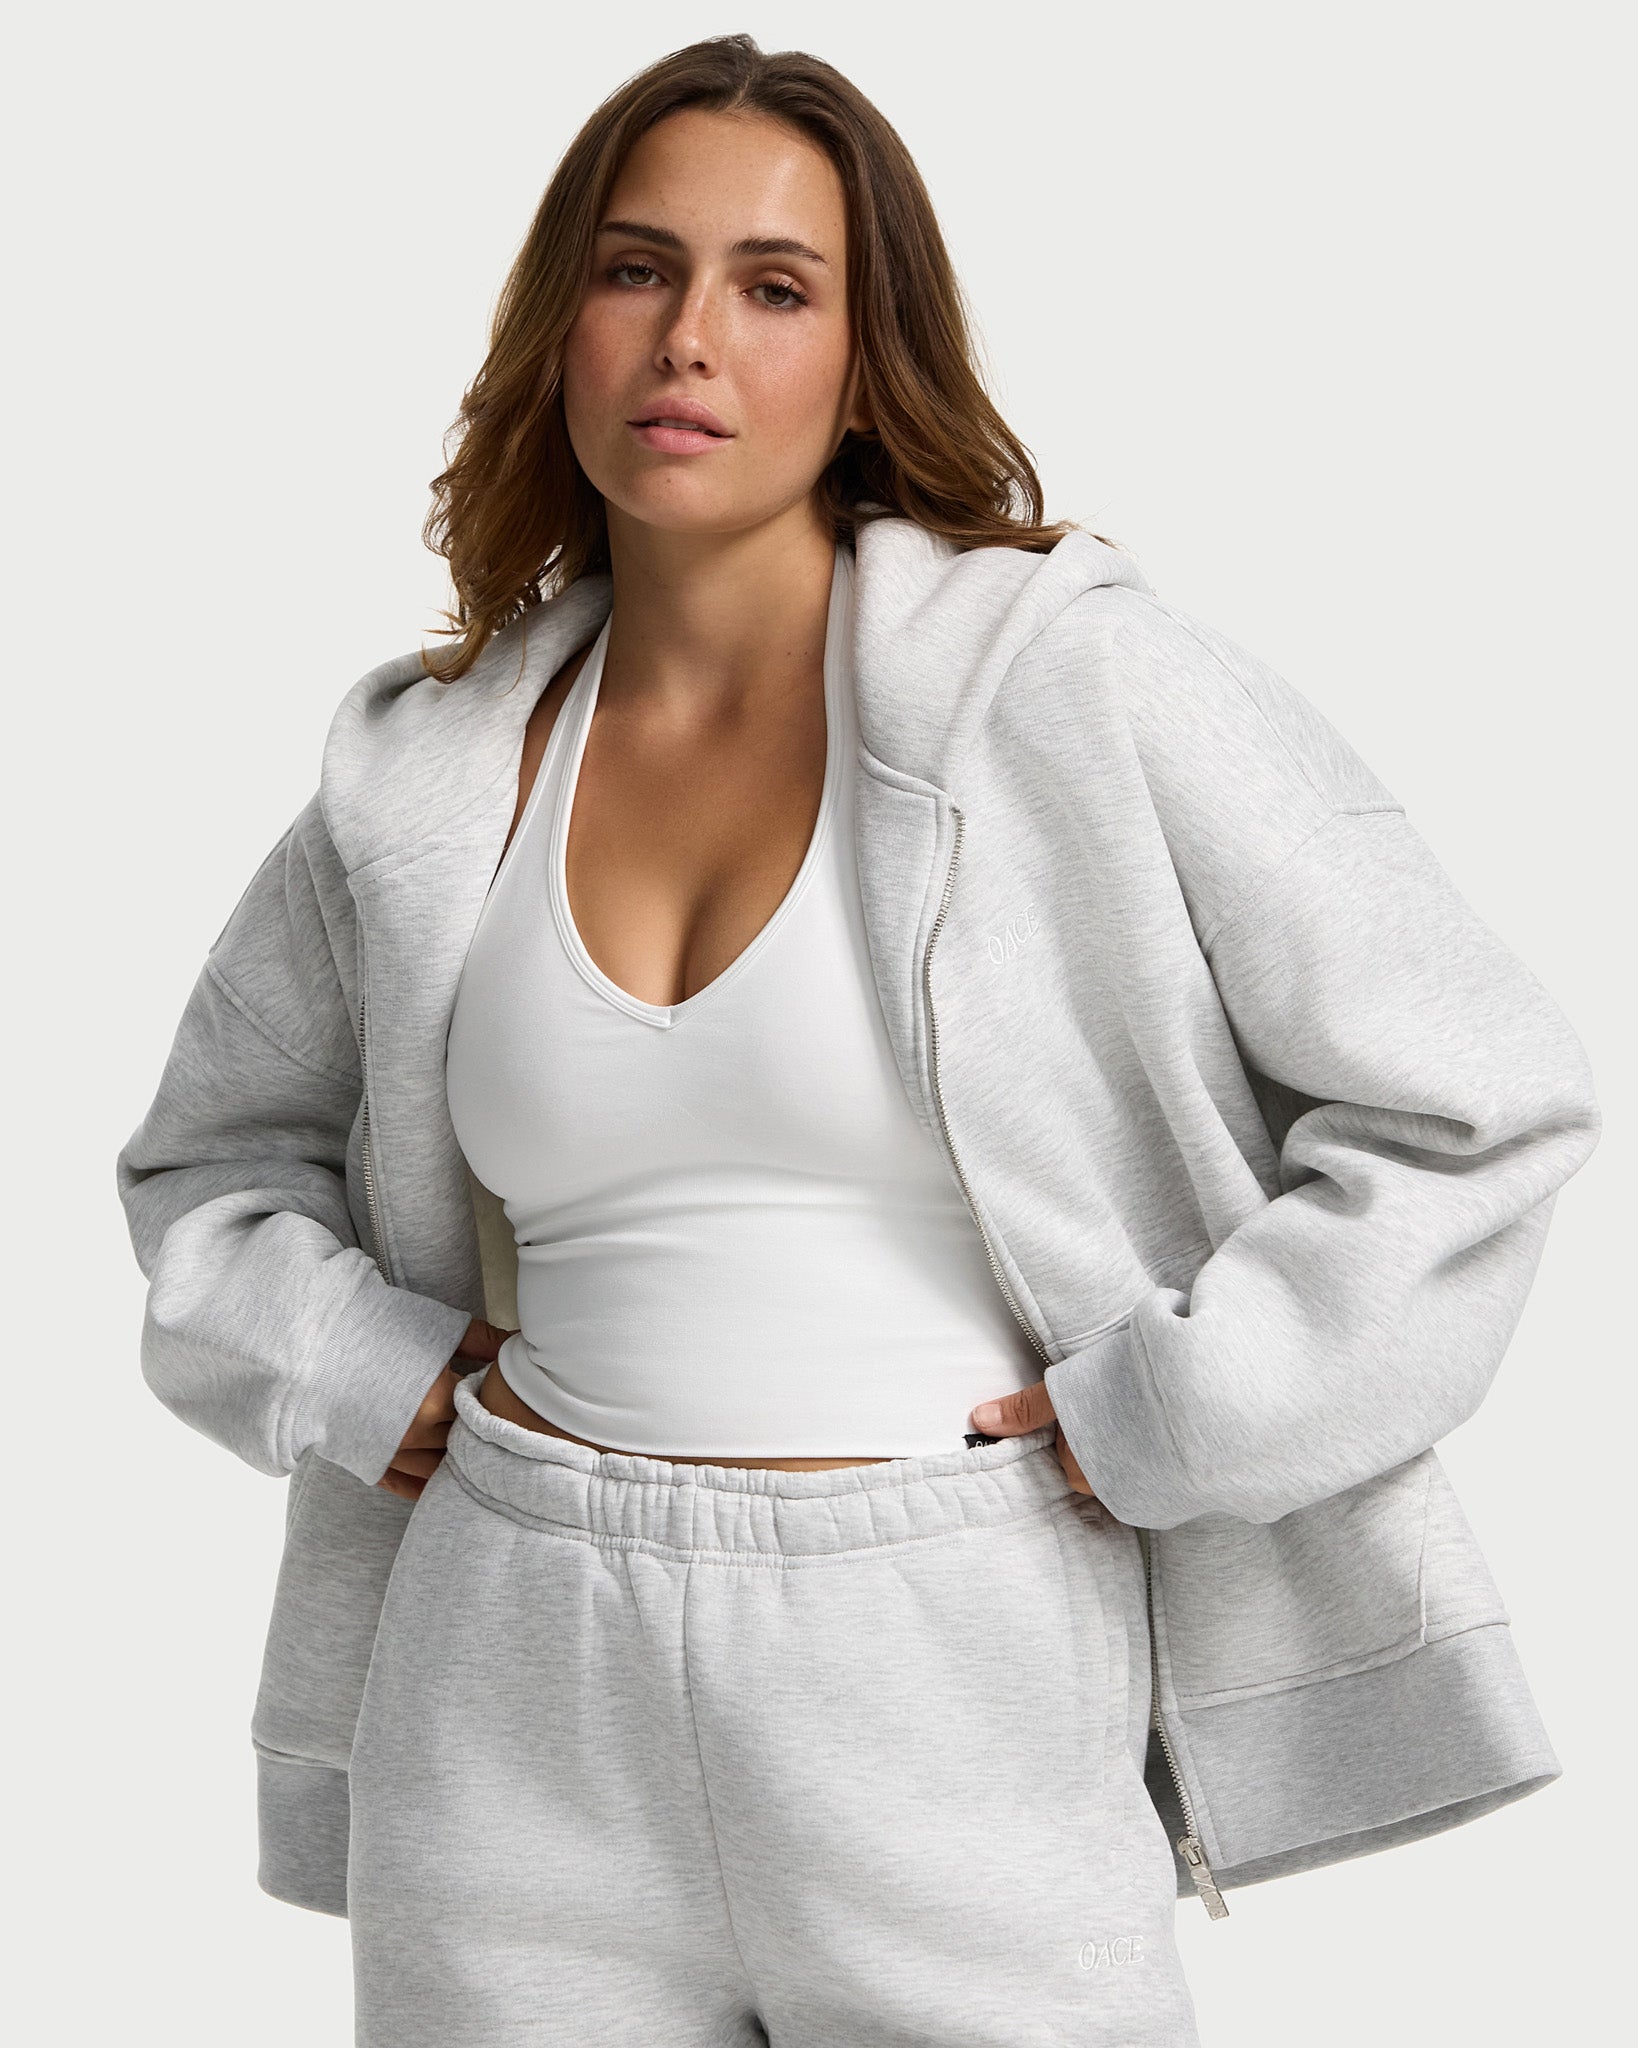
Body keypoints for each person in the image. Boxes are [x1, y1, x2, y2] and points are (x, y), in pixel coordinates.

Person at [115, 32, 1601, 2048]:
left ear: (861, 354)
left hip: (947, 1647)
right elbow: (207, 1160)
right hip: (512, 1665)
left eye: (774, 285)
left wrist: (1183, 1407)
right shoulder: (433, 771)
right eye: (636, 270)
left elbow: (1478, 1096)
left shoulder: (1070, 687)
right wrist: (347, 1361)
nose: (689, 339)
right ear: (562, 324)